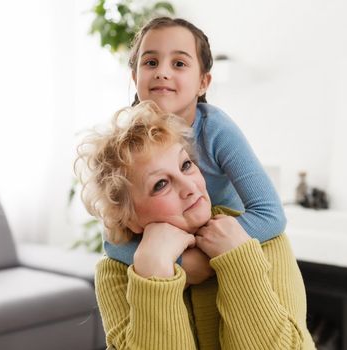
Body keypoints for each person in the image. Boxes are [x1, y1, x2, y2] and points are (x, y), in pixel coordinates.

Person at [75, 101, 315, 349]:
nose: (190, 187)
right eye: (161, 184)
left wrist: (238, 260)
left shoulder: (262, 240)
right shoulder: (116, 271)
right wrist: (154, 270)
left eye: (186, 165)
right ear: (129, 218)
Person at [104, 17, 286, 287]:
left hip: (227, 253)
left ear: (203, 82)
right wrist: (180, 263)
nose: (162, 72)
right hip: (169, 255)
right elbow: (113, 242)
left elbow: (270, 215)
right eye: (150, 62)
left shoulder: (216, 129)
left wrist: (205, 255)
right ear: (135, 77)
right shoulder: (126, 141)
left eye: (179, 63)